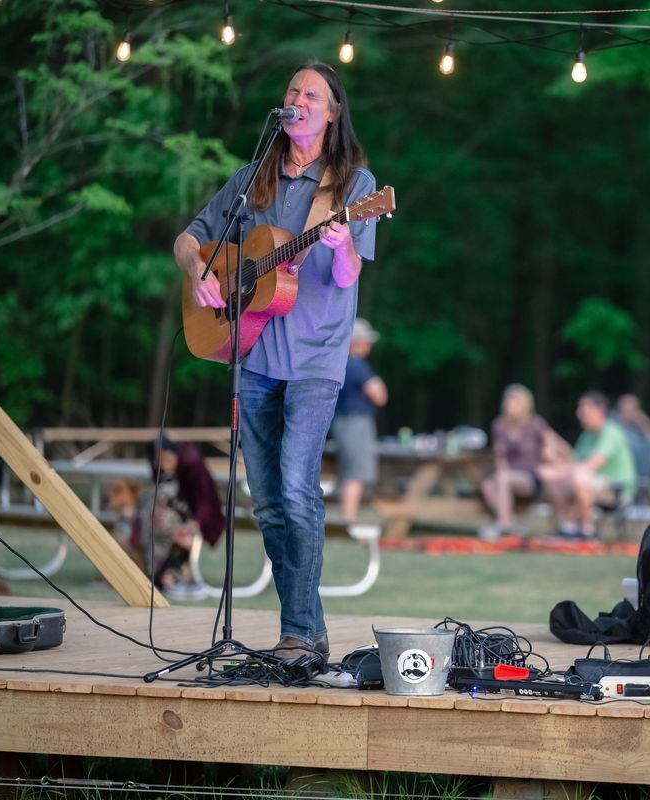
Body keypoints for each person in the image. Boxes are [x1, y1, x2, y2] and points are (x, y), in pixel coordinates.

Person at [173, 62, 377, 660]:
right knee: (264, 498)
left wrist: (341, 246)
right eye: (291, 90)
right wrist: (202, 277)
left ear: (333, 112)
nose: (298, 99)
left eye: (311, 93)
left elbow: (347, 275)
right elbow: (190, 238)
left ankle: (299, 631)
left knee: (295, 486)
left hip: (316, 358)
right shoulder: (252, 179)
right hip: (255, 353)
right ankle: (306, 633)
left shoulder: (354, 187)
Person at [538, 392, 636, 540]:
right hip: (594, 483)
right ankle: (568, 528)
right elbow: (575, 463)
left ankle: (587, 531)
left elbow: (591, 466)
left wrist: (558, 472)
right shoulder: (587, 435)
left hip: (616, 489)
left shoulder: (611, 432)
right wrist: (555, 461)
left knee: (578, 478)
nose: (578, 414)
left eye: (583, 410)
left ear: (600, 410)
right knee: (556, 481)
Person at [139, 438, 227, 599]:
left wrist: (194, 523)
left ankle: (176, 578)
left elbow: (206, 499)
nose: (163, 465)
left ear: (174, 454)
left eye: (166, 459)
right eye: (159, 461)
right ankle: (161, 577)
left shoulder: (191, 461)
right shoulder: (173, 464)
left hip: (204, 515)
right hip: (189, 513)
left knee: (182, 538)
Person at [479, 384, 567, 539]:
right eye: (507, 401)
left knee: (503, 478)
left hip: (531, 477)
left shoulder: (535, 424)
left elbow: (557, 445)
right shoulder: (499, 425)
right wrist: (500, 473)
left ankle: (504, 525)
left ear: (525, 405)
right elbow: (500, 456)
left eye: (514, 402)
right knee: (488, 485)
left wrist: (551, 455)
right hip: (508, 477)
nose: (509, 405)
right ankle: (512, 523)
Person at [330, 318, 388, 520]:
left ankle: (348, 517)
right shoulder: (355, 364)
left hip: (342, 421)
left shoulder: (337, 362)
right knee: (355, 472)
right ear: (356, 342)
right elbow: (379, 395)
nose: (369, 345)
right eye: (366, 340)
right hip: (354, 422)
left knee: (349, 469)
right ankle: (349, 519)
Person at [613, 393, 650, 502]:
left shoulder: (639, 428)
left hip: (637, 470)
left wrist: (643, 420)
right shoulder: (611, 425)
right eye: (625, 409)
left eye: (632, 409)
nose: (628, 413)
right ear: (619, 409)